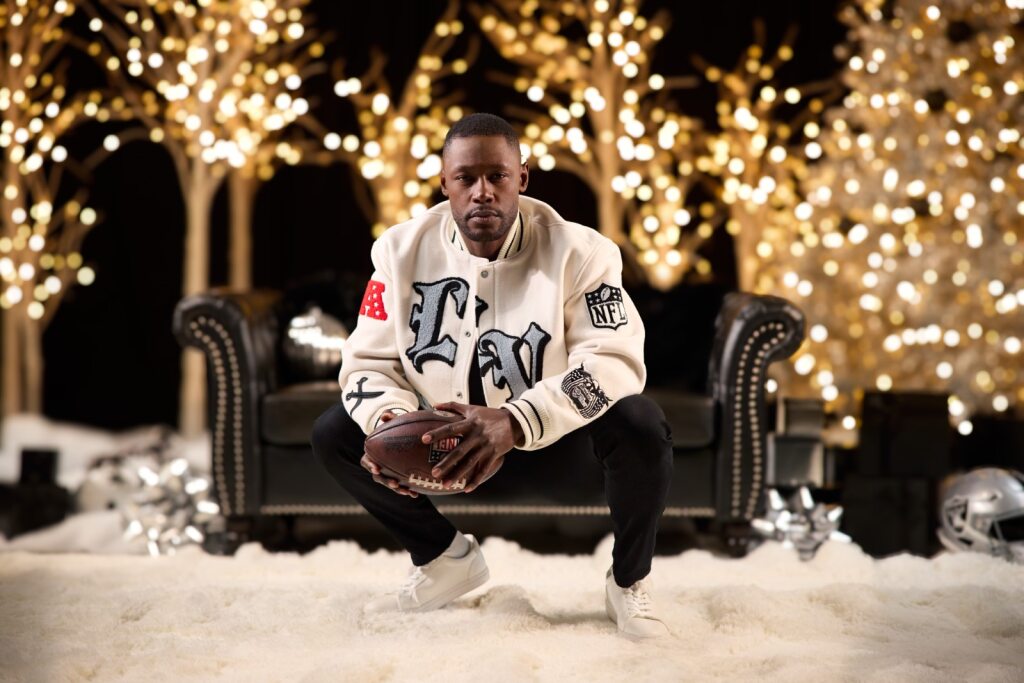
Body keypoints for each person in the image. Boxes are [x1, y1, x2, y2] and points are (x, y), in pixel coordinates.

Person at [311, 113, 673, 639]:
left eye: (497, 176)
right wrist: (390, 425)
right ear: (445, 183)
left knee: (640, 421)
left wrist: (516, 421)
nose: (482, 192)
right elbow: (368, 363)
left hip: (554, 447)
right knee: (335, 431)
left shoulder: (583, 252)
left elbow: (612, 362)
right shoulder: (398, 250)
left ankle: (628, 580)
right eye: (466, 178)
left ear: (521, 178)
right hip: (441, 448)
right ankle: (443, 558)